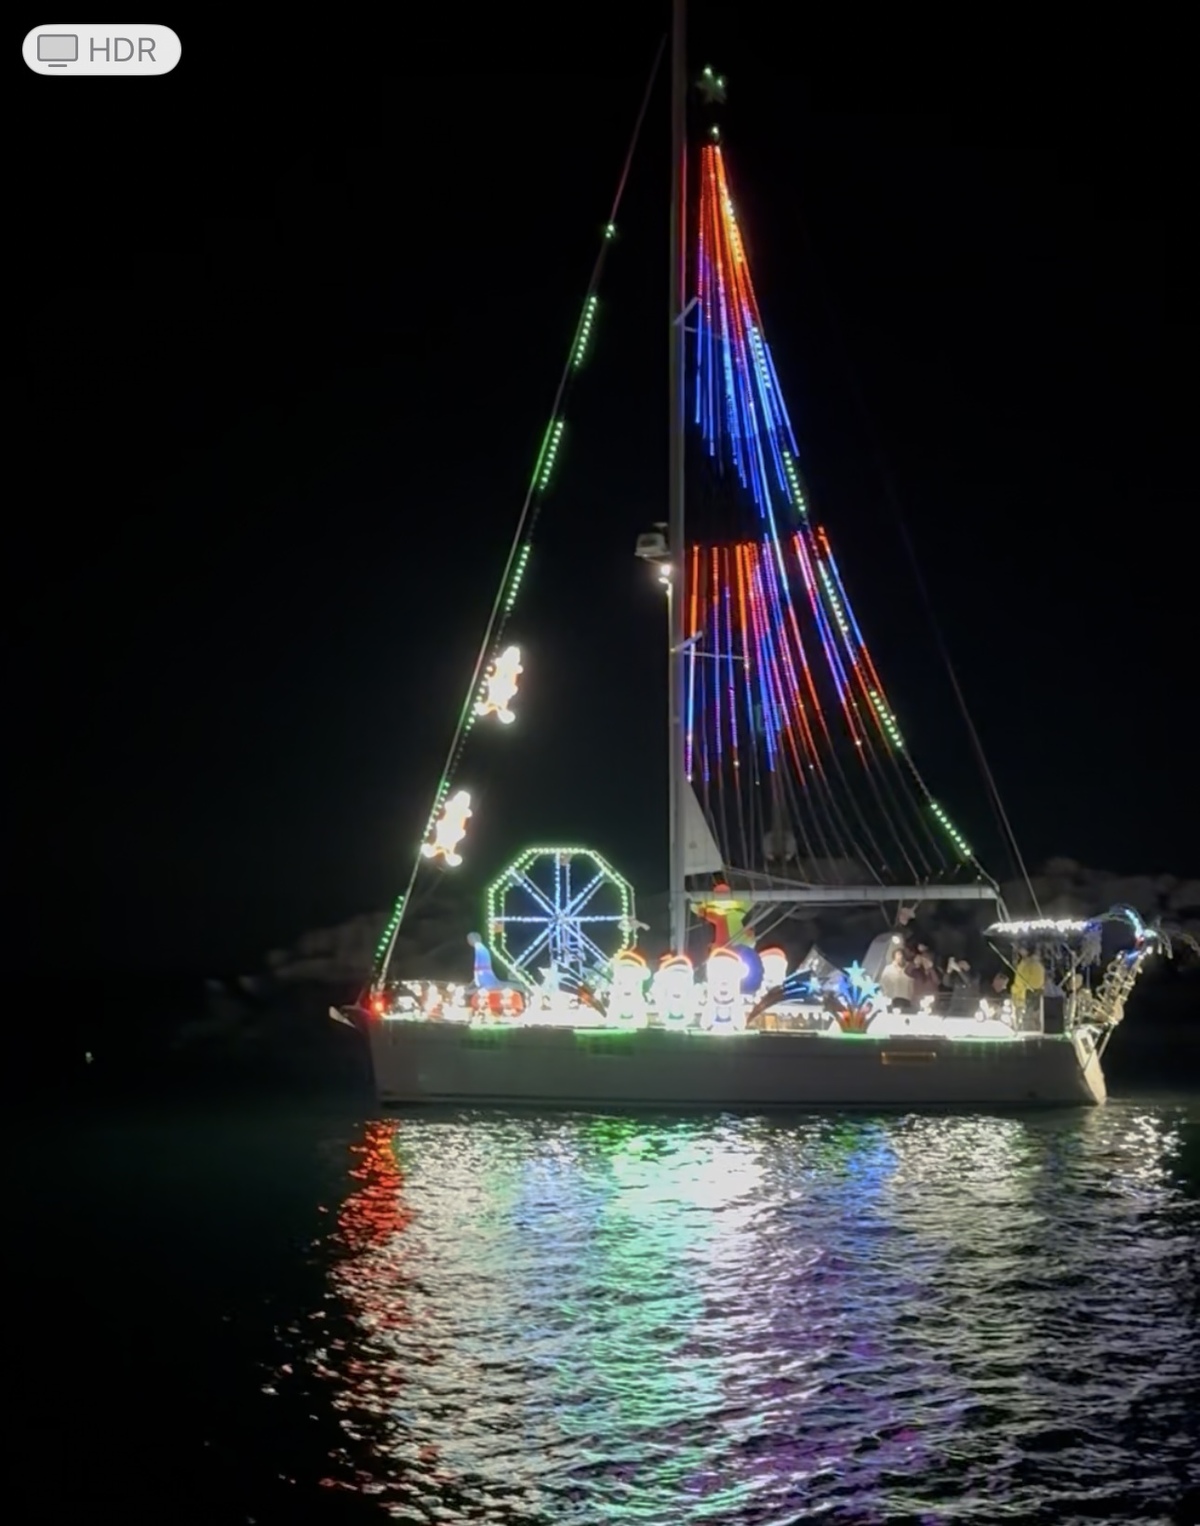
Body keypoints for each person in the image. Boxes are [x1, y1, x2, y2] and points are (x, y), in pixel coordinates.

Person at [1010, 945, 1046, 1018]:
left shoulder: (1033, 965)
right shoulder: (1025, 964)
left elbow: (1036, 983)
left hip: (1030, 994)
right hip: (1024, 995)